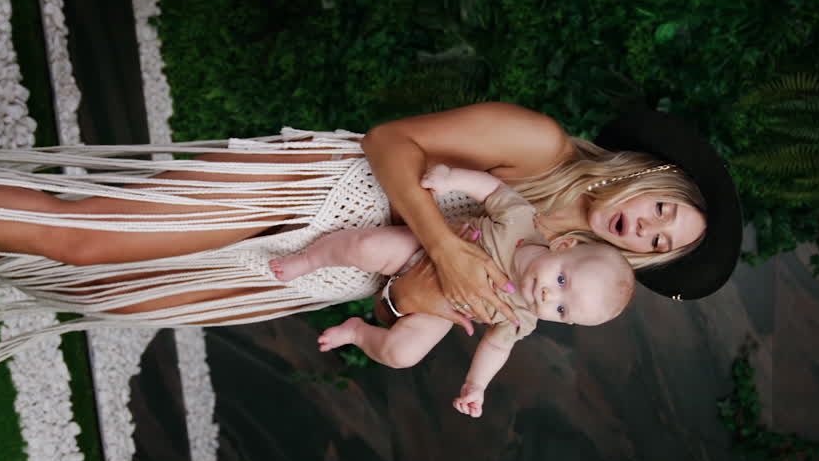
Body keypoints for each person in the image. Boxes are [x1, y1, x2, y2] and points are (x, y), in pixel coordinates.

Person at [0, 103, 742, 374]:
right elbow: (392, 142)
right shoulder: (534, 145)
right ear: (652, 175)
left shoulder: (549, 288)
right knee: (93, 243)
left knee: (109, 285)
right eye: (664, 208)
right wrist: (440, 241)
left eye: (659, 244)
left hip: (327, 269)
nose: (647, 228)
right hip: (321, 192)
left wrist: (416, 307)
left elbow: (400, 304)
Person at [270, 163, 636, 418]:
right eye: (561, 282)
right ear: (565, 246)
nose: (547, 298)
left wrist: (476, 385)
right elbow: (494, 190)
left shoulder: (521, 317)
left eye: (561, 310)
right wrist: (452, 178)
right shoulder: (522, 224)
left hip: (437, 313)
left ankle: (356, 332)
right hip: (423, 249)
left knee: (403, 354)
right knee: (365, 246)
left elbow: (495, 347)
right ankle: (310, 260)